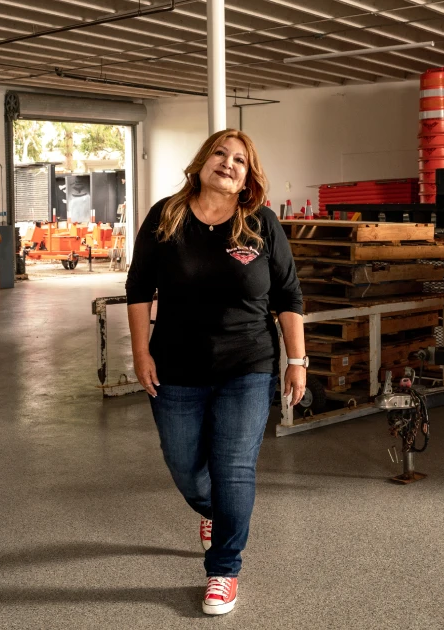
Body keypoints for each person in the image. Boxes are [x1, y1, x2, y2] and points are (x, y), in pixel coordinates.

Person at [125, 129, 306, 616]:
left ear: (248, 177)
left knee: (234, 466)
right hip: (176, 365)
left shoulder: (261, 224)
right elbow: (139, 288)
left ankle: (223, 569)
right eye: (220, 154)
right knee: (185, 467)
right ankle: (212, 509)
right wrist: (141, 353)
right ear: (203, 161)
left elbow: (288, 296)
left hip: (248, 365)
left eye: (240, 161)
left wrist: (297, 360)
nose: (228, 164)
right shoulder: (166, 217)